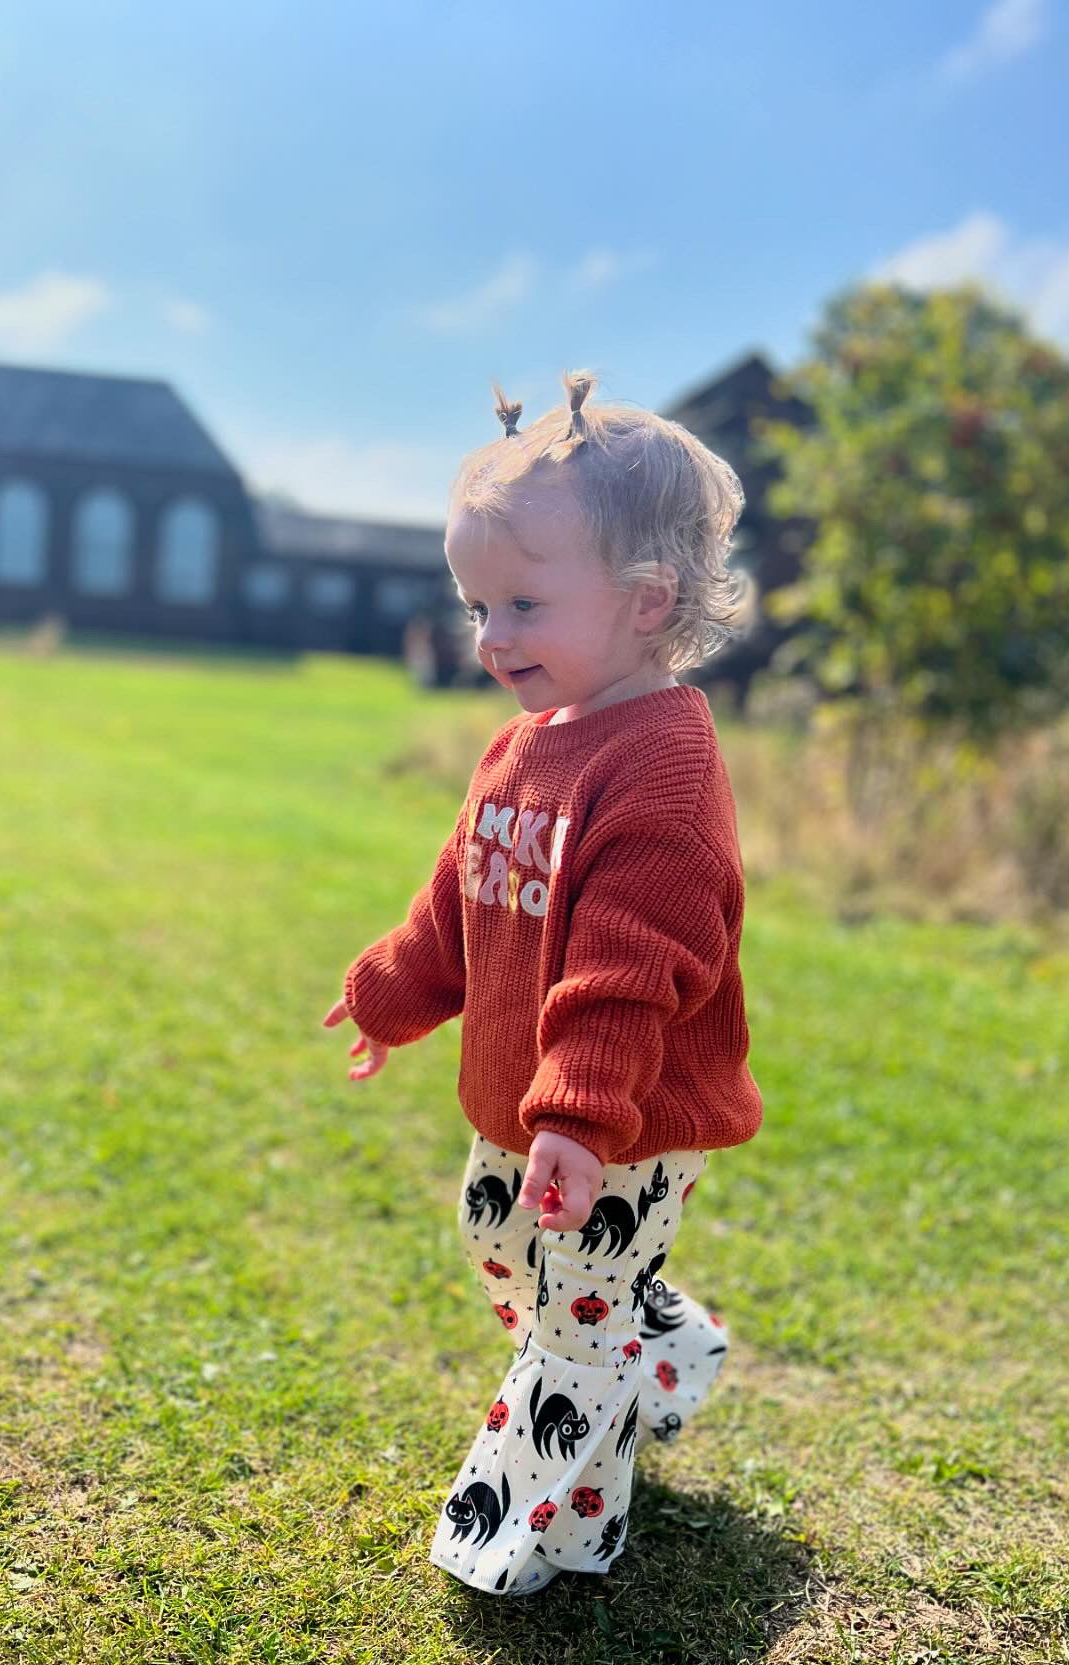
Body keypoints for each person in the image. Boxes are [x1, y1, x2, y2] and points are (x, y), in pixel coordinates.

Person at [322, 370, 764, 1597]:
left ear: (647, 603)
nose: (490, 636)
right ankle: (662, 1342)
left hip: (621, 1114)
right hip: (524, 1104)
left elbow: (629, 971)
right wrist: (389, 992)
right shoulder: (523, 744)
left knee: (572, 1325)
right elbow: (459, 901)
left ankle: (550, 1523)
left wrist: (578, 1115)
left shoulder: (663, 769)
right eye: (475, 604)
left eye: (522, 602)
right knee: (496, 1241)